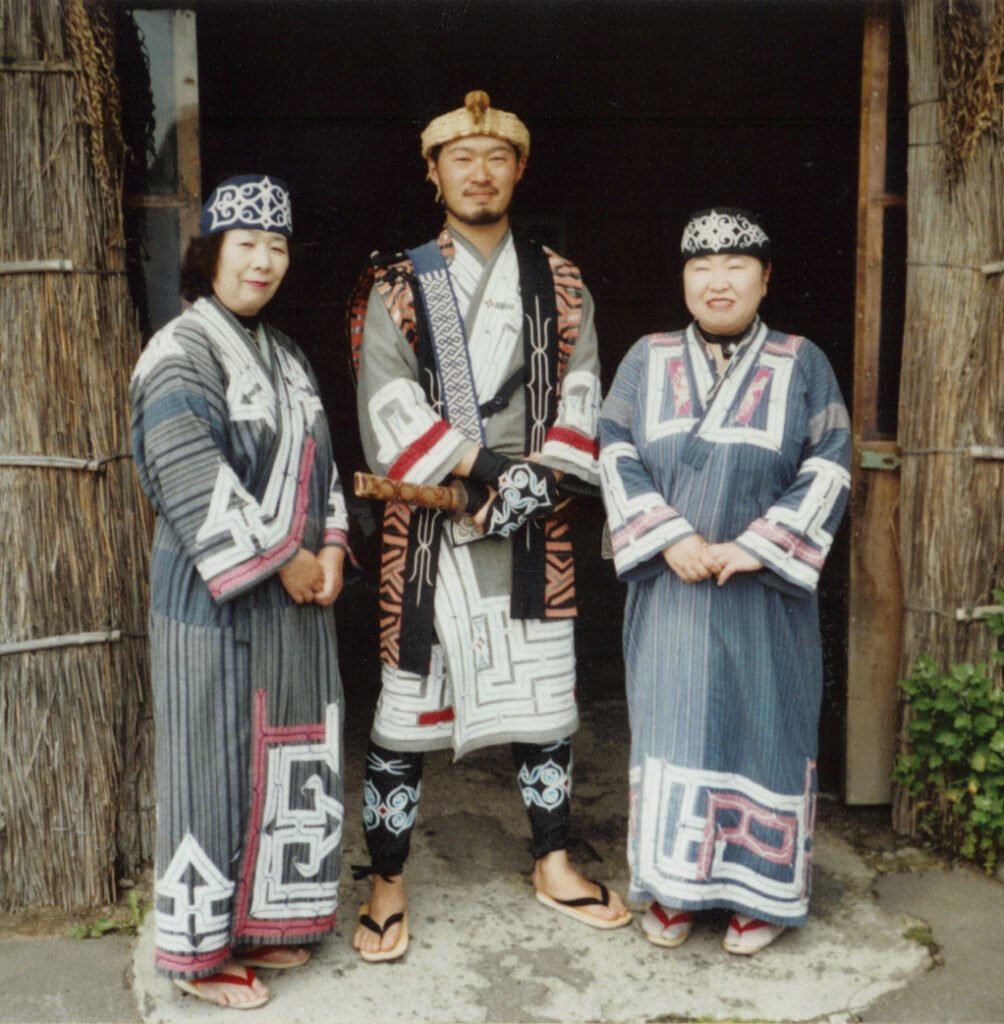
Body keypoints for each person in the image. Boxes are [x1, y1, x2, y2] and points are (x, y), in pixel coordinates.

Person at [350, 90, 630, 962]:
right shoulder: (397, 282)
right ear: (432, 173)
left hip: (536, 523)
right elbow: (386, 400)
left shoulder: (564, 279)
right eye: (461, 159)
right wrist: (486, 471)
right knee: (405, 712)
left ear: (520, 170)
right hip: (432, 528)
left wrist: (535, 481)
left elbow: (584, 392)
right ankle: (386, 879)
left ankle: (551, 860)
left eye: (496, 157)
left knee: (546, 703)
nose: (480, 172)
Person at [598, 208, 850, 956]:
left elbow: (832, 459)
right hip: (673, 585)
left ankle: (761, 897)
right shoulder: (645, 358)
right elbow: (612, 451)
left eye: (737, 266)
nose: (718, 281)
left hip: (763, 590)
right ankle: (674, 889)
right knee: (673, 727)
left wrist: (756, 547)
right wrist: (671, 538)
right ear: (683, 279)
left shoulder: (804, 361)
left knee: (763, 729)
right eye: (702, 268)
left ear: (765, 278)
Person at [130, 174, 351, 1008]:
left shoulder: (287, 356)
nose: (263, 261)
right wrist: (285, 560)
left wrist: (330, 545)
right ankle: (200, 953)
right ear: (211, 253)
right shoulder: (180, 349)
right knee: (211, 765)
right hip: (212, 601)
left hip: (294, 606)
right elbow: (188, 471)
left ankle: (265, 923)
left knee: (290, 756)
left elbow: (323, 464)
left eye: (278, 246)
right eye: (246, 244)